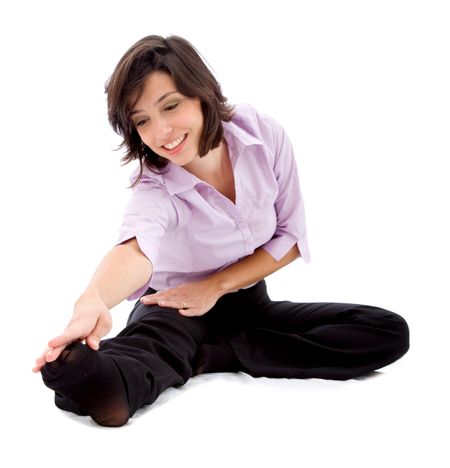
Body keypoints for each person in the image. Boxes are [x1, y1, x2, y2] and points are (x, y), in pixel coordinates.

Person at [32, 34, 410, 427]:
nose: (161, 132)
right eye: (142, 120)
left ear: (201, 92)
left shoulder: (262, 135)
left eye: (171, 106)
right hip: (173, 306)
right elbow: (135, 250)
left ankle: (214, 354)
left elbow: (290, 237)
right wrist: (93, 300)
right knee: (126, 366)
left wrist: (215, 287)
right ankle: (110, 375)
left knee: (385, 331)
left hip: (246, 301)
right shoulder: (154, 185)